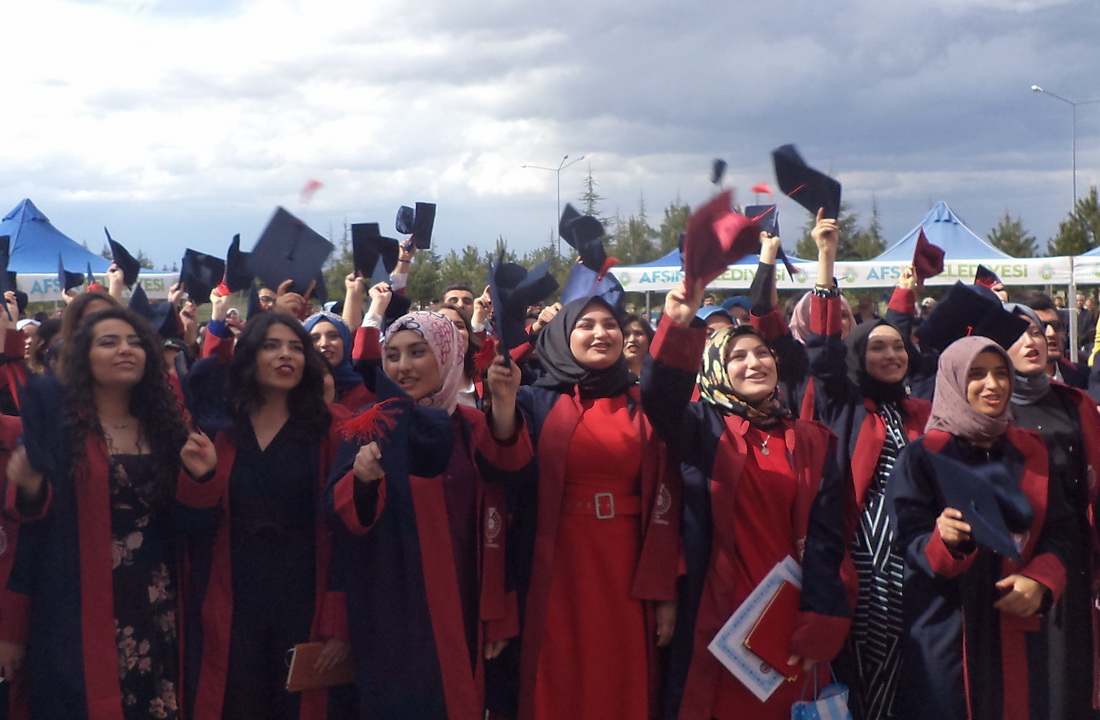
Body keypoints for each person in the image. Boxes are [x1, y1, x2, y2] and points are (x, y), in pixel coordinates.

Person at [643, 279, 851, 720]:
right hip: (718, 618)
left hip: (789, 619)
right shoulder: (701, 428)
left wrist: (819, 620)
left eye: (762, 353)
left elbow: (828, 539)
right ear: (715, 369)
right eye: (737, 357)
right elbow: (659, 398)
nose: (754, 363)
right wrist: (677, 323)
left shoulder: (812, 440)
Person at [325, 310, 532, 719]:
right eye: (393, 355)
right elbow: (339, 520)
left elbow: (505, 503)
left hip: (465, 598)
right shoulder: (369, 426)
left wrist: (498, 614)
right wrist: (362, 481)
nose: (403, 366)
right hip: (392, 606)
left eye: (418, 352)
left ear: (448, 355)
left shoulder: (473, 426)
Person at [5, 306, 187, 718]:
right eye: (109, 342)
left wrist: (203, 476)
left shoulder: (166, 426)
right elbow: (29, 530)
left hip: (155, 598)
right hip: (75, 601)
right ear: (81, 357)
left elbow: (189, 518)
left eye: (135, 342)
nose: (126, 349)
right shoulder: (56, 426)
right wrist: (30, 486)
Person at [507, 296, 680, 720]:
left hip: (628, 564)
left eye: (610, 324)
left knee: (619, 674)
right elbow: (503, 467)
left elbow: (670, 496)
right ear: (563, 336)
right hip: (557, 563)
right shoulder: (533, 401)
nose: (601, 333)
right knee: (558, 672)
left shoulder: (646, 403)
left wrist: (666, 588)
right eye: (586, 325)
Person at [887, 337, 1073, 720]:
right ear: (954, 381)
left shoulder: (1030, 450)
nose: (993, 385)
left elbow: (1062, 530)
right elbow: (906, 540)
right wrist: (944, 541)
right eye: (977, 374)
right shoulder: (922, 456)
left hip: (1019, 626)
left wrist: (1041, 580)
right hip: (949, 632)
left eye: (1001, 373)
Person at [177, 312, 351, 720]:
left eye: (295, 347)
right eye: (271, 346)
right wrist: (201, 479)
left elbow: (350, 535)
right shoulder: (219, 428)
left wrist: (340, 620)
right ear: (249, 356)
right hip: (232, 591)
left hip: (306, 590)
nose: (285, 355)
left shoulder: (333, 428)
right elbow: (189, 526)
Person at [803, 217, 932, 719]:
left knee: (918, 675)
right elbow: (823, 351)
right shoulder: (845, 404)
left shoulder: (919, 411)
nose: (892, 354)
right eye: (877, 346)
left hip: (921, 561)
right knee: (872, 675)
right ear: (858, 355)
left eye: (898, 346)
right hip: (867, 566)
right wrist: (826, 259)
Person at [1003, 303, 1100, 719]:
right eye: (1019, 332)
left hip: (1072, 559)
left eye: (1038, 331)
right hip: (1010, 566)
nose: (1034, 339)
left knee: (1069, 678)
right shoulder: (987, 408)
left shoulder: (1074, 402)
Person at [304, 310, 375, 412]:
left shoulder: (369, 388)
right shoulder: (294, 388)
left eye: (333, 336)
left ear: (346, 341)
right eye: (315, 338)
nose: (324, 343)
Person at [621, 313, 654, 379]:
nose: (632, 339)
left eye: (639, 333)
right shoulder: (610, 378)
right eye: (626, 335)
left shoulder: (663, 375)